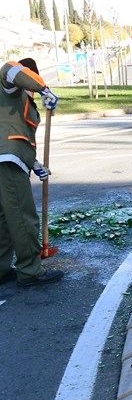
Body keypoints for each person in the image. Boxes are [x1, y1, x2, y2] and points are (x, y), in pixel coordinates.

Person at [0, 58, 65, 287]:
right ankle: (30, 271)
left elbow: (17, 134)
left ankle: (1, 269)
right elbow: (10, 69)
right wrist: (44, 88)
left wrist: (34, 163)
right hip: (7, 163)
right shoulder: (9, 85)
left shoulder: (21, 102)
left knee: (4, 220)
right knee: (22, 216)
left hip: (9, 160)